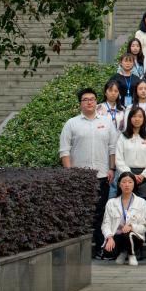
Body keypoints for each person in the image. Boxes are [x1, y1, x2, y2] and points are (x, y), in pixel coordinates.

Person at [59, 87, 118, 258]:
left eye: (92, 99)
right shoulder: (71, 123)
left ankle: (100, 248)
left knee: (100, 214)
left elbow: (113, 148)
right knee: (79, 213)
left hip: (102, 176)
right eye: (85, 100)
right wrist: (70, 173)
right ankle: (79, 251)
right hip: (79, 177)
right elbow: (64, 150)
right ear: (80, 103)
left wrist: (112, 168)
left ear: (96, 102)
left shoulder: (107, 122)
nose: (89, 102)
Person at [100, 171, 146, 266]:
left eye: (130, 182)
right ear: (119, 184)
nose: (127, 185)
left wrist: (131, 226)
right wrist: (109, 237)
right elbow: (106, 223)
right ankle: (123, 252)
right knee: (108, 253)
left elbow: (144, 227)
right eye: (124, 182)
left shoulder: (141, 202)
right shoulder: (111, 202)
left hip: (134, 237)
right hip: (117, 235)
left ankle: (131, 254)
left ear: (134, 184)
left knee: (127, 234)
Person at [115, 106, 146, 199]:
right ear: (129, 119)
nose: (137, 119)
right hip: (127, 176)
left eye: (140, 116)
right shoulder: (123, 137)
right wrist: (130, 175)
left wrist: (143, 175)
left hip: (144, 177)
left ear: (144, 119)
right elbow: (119, 159)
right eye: (134, 116)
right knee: (127, 202)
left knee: (143, 203)